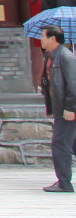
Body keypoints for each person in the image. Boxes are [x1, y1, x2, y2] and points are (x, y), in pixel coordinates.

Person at [39, 24, 76, 192]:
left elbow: (73, 85)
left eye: (43, 36)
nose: (41, 39)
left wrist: (70, 108)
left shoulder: (66, 57)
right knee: (71, 144)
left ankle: (64, 183)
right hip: (61, 108)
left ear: (52, 38)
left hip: (68, 110)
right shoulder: (50, 56)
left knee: (60, 144)